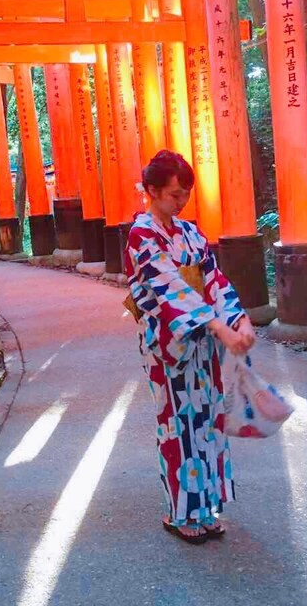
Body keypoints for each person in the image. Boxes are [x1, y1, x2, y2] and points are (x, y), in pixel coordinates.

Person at [124, 150, 256, 545]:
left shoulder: (190, 233)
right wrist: (219, 327)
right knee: (177, 425)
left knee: (208, 420)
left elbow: (214, 280)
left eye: (185, 194)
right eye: (174, 194)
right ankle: (179, 512)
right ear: (152, 190)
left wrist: (239, 320)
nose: (181, 202)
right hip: (168, 346)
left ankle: (207, 507)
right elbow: (170, 288)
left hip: (201, 343)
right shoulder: (142, 235)